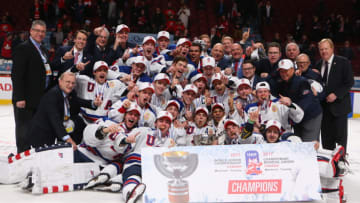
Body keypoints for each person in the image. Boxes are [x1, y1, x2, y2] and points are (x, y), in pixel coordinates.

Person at [25, 72, 100, 150]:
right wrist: (68, 139)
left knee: (78, 121)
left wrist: (93, 103)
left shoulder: (69, 92)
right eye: (68, 82)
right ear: (60, 81)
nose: (70, 85)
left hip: (56, 130)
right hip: (42, 133)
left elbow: (77, 101)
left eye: (73, 83)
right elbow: (55, 120)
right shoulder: (53, 95)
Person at [11, 20, 53, 153]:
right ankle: (22, 159)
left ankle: (33, 159)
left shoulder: (43, 50)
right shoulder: (23, 48)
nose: (40, 34)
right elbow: (17, 75)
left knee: (35, 132)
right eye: (37, 31)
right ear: (31, 31)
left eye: (43, 31)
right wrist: (19, 98)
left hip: (39, 99)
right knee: (24, 132)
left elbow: (46, 71)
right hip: (26, 100)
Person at [315, 38, 354, 152]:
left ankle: (340, 164)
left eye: (326, 48)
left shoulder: (343, 62)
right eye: (321, 49)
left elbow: (349, 82)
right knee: (327, 140)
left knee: (341, 140)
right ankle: (329, 165)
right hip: (324, 110)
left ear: (332, 49)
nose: (324, 51)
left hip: (339, 108)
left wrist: (336, 94)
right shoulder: (317, 64)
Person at [276, 59, 323, 142]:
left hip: (310, 116)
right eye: (281, 71)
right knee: (298, 144)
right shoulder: (281, 83)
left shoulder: (302, 82)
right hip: (296, 118)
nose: (283, 73)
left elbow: (305, 103)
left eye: (286, 70)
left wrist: (292, 107)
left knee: (309, 145)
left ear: (292, 70)